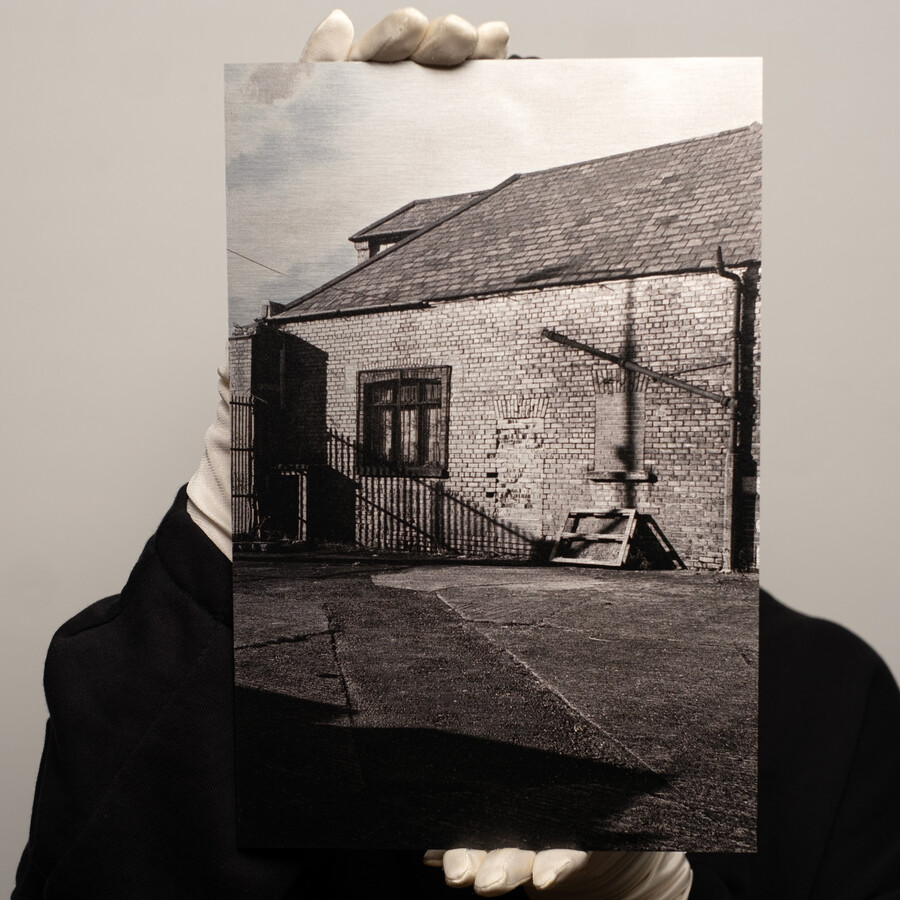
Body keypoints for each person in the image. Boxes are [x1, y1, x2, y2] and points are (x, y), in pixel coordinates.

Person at [13, 10, 900, 899]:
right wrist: (219, 538)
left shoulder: (835, 696)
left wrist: (660, 892)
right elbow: (106, 849)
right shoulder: (153, 660)